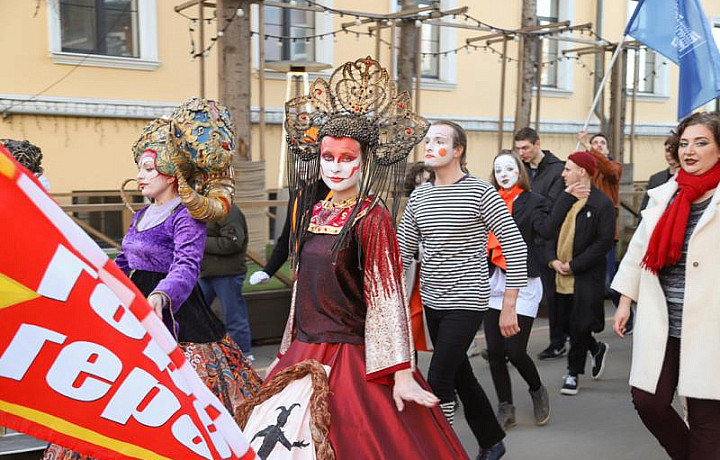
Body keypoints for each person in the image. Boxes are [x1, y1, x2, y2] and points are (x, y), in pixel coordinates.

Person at [258, 57, 468, 460]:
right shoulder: (314, 211)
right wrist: (286, 354)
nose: (335, 167)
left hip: (351, 358)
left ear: (364, 161)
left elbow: (386, 299)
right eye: (328, 157)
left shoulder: (373, 218)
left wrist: (402, 372)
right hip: (304, 351)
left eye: (346, 158)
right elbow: (302, 291)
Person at [43, 100, 262, 459]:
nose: (141, 175)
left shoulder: (186, 216)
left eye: (148, 168)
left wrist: (161, 296)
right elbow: (126, 259)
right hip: (134, 308)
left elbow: (187, 266)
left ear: (171, 172)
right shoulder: (144, 213)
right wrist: (99, 282)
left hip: (173, 314)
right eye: (139, 168)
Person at [399, 120, 528, 460]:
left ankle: (442, 451)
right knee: (460, 373)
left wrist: (510, 305)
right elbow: (400, 251)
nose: (429, 145)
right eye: (427, 140)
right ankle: (492, 440)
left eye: (439, 140)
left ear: (458, 150)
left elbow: (514, 245)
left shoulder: (480, 192)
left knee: (439, 379)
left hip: (468, 299)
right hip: (433, 300)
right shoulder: (420, 195)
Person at [612, 112, 720, 459]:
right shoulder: (666, 195)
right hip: (664, 319)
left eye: (701, 143)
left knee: (706, 416)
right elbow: (638, 250)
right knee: (648, 401)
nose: (690, 151)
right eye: (684, 143)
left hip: (709, 324)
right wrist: (626, 300)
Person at [484, 150, 551, 429]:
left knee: (515, 350)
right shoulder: (487, 202)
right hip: (493, 281)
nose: (504, 174)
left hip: (523, 282)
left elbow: (545, 230)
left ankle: (537, 389)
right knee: (496, 351)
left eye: (509, 168)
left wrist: (567, 201)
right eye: (499, 169)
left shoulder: (534, 202)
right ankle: (505, 405)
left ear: (519, 171)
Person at [545, 151, 615, 396]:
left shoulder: (601, 204)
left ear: (581, 172)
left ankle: (573, 374)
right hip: (558, 272)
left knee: (579, 325)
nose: (563, 174)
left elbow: (603, 242)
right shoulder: (563, 198)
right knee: (564, 324)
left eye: (568, 169)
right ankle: (595, 349)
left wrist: (574, 265)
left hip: (585, 276)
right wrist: (552, 260)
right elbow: (549, 231)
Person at [513, 127, 567, 361]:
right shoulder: (519, 169)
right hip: (521, 237)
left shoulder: (557, 169)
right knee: (515, 291)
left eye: (525, 148)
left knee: (551, 295)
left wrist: (530, 203)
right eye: (518, 149)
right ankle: (510, 344)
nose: (522, 153)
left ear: (537, 144)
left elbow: (552, 203)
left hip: (547, 239)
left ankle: (558, 342)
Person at [199, 203, 253, 360]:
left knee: (234, 317)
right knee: (197, 314)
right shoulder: (206, 207)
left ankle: (243, 355)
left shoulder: (227, 210)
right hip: (206, 272)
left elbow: (233, 242)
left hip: (227, 273)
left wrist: (199, 240)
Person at [404, 162, 434, 353]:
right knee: (410, 328)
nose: (421, 187)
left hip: (438, 279)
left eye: (426, 182)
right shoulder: (409, 208)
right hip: (414, 278)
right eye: (417, 183)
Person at [639, 134, 681, 212]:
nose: (668, 154)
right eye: (666, 150)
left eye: (672, 150)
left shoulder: (687, 178)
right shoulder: (656, 179)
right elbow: (645, 208)